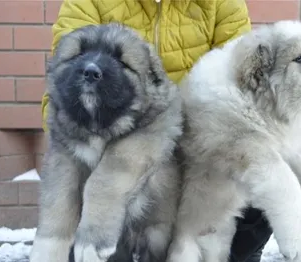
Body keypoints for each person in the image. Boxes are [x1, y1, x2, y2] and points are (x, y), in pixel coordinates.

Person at [41, 0, 273, 261]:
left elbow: (239, 88)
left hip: (193, 148)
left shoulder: (222, 3)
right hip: (112, 153)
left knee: (264, 173)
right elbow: (65, 90)